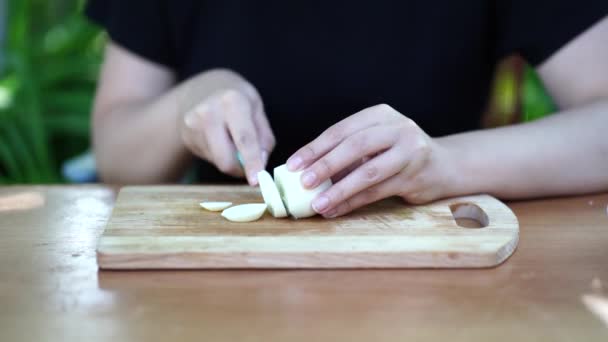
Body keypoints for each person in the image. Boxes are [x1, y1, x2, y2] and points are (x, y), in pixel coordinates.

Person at [87, 1, 608, 218]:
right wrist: (187, 103)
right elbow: (115, 151)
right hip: (218, 286)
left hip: (439, 283)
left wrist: (444, 163)